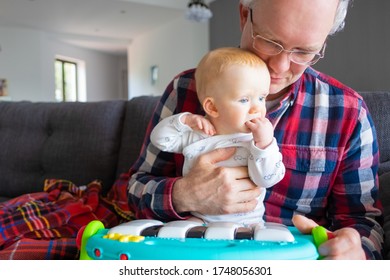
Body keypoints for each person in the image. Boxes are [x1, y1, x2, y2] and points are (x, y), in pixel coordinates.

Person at [123, 0, 384, 259]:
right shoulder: (187, 89)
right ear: (244, 15)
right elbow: (134, 191)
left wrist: (356, 250)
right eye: (270, 41)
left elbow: (362, 220)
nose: (279, 68)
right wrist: (184, 195)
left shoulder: (348, 112)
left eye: (304, 52)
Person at [150, 47, 285, 226]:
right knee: (176, 232)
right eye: (244, 100)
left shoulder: (256, 142)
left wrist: (265, 145)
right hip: (201, 222)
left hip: (248, 223)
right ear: (212, 108)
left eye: (261, 98)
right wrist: (185, 121)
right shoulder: (198, 135)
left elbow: (267, 179)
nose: (257, 109)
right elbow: (160, 140)